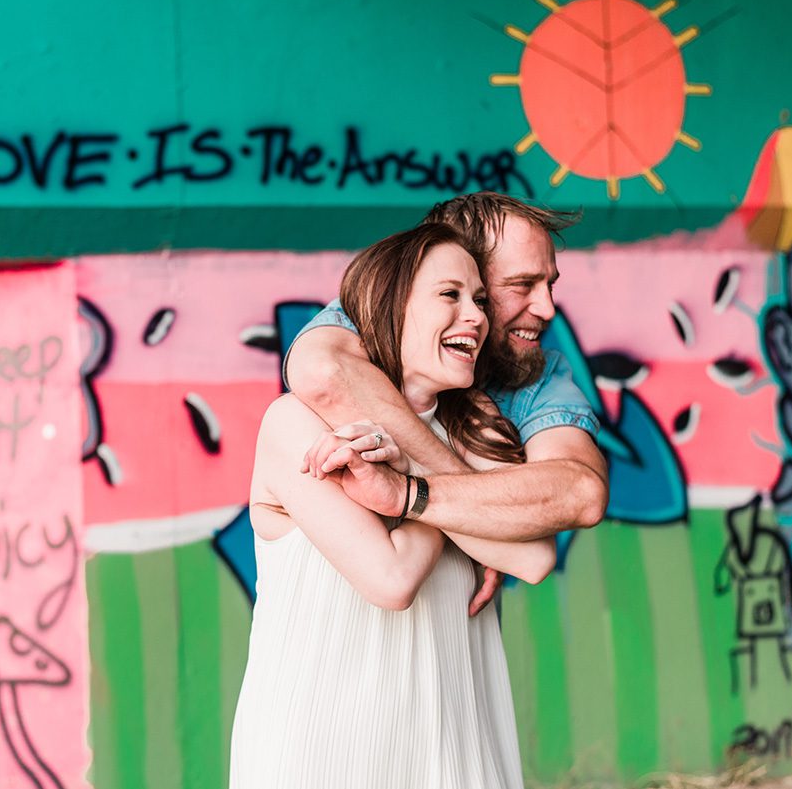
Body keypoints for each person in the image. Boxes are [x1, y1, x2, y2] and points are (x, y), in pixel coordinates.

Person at [230, 223, 552, 789]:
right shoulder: (295, 423)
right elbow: (391, 577)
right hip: (320, 754)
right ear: (389, 306)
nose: (476, 316)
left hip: (451, 752)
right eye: (449, 295)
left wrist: (413, 478)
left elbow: (533, 557)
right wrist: (447, 493)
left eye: (479, 299)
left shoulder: (480, 433)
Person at [286, 193, 608, 613]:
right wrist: (487, 522)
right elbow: (324, 374)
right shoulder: (382, 306)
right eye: (522, 285)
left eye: (550, 284)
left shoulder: (537, 372)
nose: (547, 308)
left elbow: (580, 493)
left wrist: (411, 492)